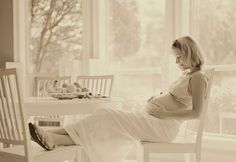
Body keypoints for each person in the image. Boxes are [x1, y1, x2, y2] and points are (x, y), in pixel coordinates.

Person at [28, 36, 208, 162]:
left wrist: (164, 113)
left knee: (106, 115)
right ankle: (52, 136)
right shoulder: (187, 74)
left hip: (165, 128)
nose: (176, 62)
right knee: (104, 121)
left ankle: (54, 137)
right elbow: (178, 98)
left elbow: (196, 113)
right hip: (155, 121)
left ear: (190, 52)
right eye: (175, 57)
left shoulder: (199, 77)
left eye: (179, 57)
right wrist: (159, 99)